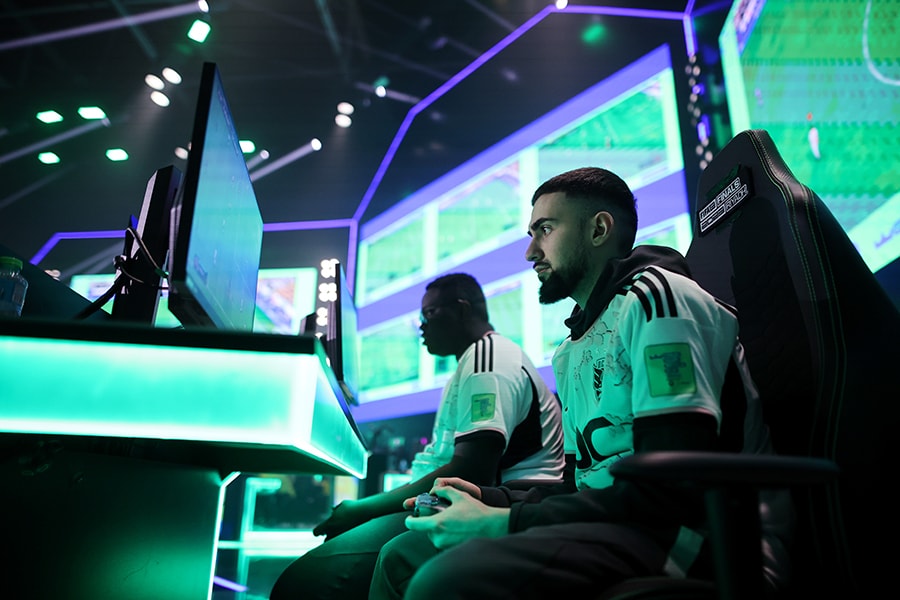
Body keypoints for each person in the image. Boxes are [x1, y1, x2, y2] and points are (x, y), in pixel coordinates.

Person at [368, 167, 793, 599]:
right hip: (624, 523)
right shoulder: (570, 350)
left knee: (442, 580)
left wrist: (505, 522)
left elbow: (672, 491)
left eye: (545, 230)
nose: (531, 251)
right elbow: (582, 484)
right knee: (404, 555)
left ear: (599, 229)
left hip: (703, 536)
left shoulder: (661, 301)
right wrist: (493, 496)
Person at [269, 272, 566, 599]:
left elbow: (471, 471)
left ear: (462, 309)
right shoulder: (475, 360)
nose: (421, 326)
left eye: (430, 314)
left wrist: (363, 508)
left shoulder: (489, 362)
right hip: (451, 499)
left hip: (491, 504)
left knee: (304, 583)